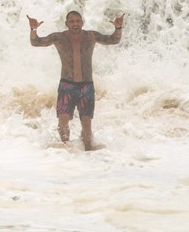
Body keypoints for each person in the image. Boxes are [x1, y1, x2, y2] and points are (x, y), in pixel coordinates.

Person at [27, 9, 124, 150]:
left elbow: (113, 40)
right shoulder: (58, 37)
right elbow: (36, 42)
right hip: (67, 86)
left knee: (86, 125)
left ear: (82, 22)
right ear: (66, 23)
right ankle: (66, 151)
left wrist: (118, 28)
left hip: (86, 86)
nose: (75, 24)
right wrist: (33, 29)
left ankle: (89, 151)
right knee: (63, 123)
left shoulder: (91, 36)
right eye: (71, 21)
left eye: (78, 21)